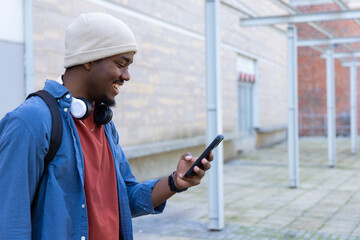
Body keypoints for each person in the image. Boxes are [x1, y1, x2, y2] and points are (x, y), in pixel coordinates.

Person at [0, 12, 213, 240]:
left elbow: (126, 198)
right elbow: (10, 223)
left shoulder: (104, 125)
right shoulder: (31, 121)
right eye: (121, 64)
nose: (127, 76)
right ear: (89, 59)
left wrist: (175, 182)